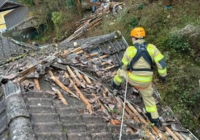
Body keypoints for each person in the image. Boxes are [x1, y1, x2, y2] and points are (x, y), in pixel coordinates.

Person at [111, 27, 167, 128]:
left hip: (133, 79)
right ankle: (155, 120)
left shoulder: (130, 50)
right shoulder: (152, 48)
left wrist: (127, 68)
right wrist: (163, 77)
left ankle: (116, 85)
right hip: (146, 83)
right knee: (149, 99)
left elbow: (123, 65)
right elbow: (161, 64)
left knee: (120, 71)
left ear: (134, 38)